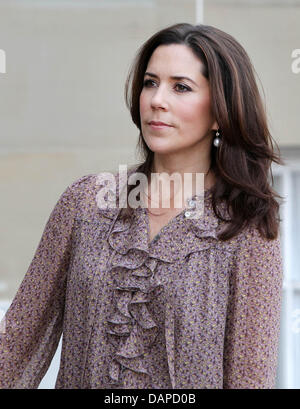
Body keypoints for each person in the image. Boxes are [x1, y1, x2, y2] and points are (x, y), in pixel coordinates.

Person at [0, 23, 284, 389]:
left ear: (219, 112)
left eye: (180, 87)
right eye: (150, 83)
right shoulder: (85, 203)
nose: (156, 100)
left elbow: (251, 376)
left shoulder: (247, 229)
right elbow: (16, 345)